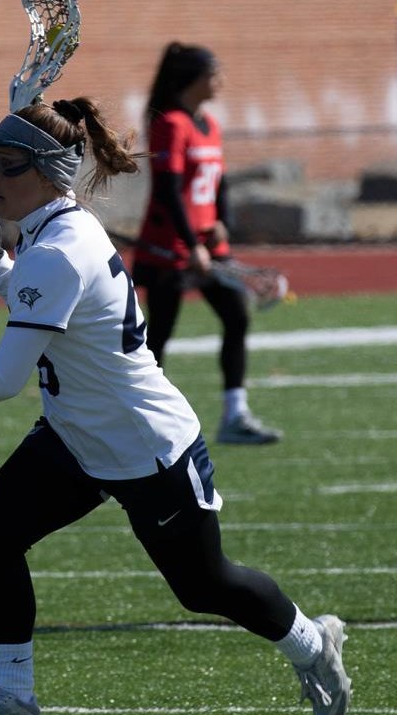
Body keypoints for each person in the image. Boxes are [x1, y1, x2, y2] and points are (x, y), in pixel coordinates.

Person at [0, 98, 351, 715]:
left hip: (145, 445)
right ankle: (14, 697)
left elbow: (4, 377)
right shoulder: (52, 232)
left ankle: (312, 642)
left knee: (204, 585)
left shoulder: (60, 248)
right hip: (75, 435)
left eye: (6, 164)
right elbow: (47, 310)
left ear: (48, 172)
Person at [131, 43, 280, 445]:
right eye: (214, 74)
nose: (221, 81)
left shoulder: (209, 124)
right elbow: (168, 189)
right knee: (159, 335)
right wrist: (188, 241)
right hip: (170, 246)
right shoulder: (171, 123)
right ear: (193, 79)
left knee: (236, 316)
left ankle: (235, 415)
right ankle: (140, 420)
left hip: (208, 247)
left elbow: (219, 183)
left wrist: (221, 225)